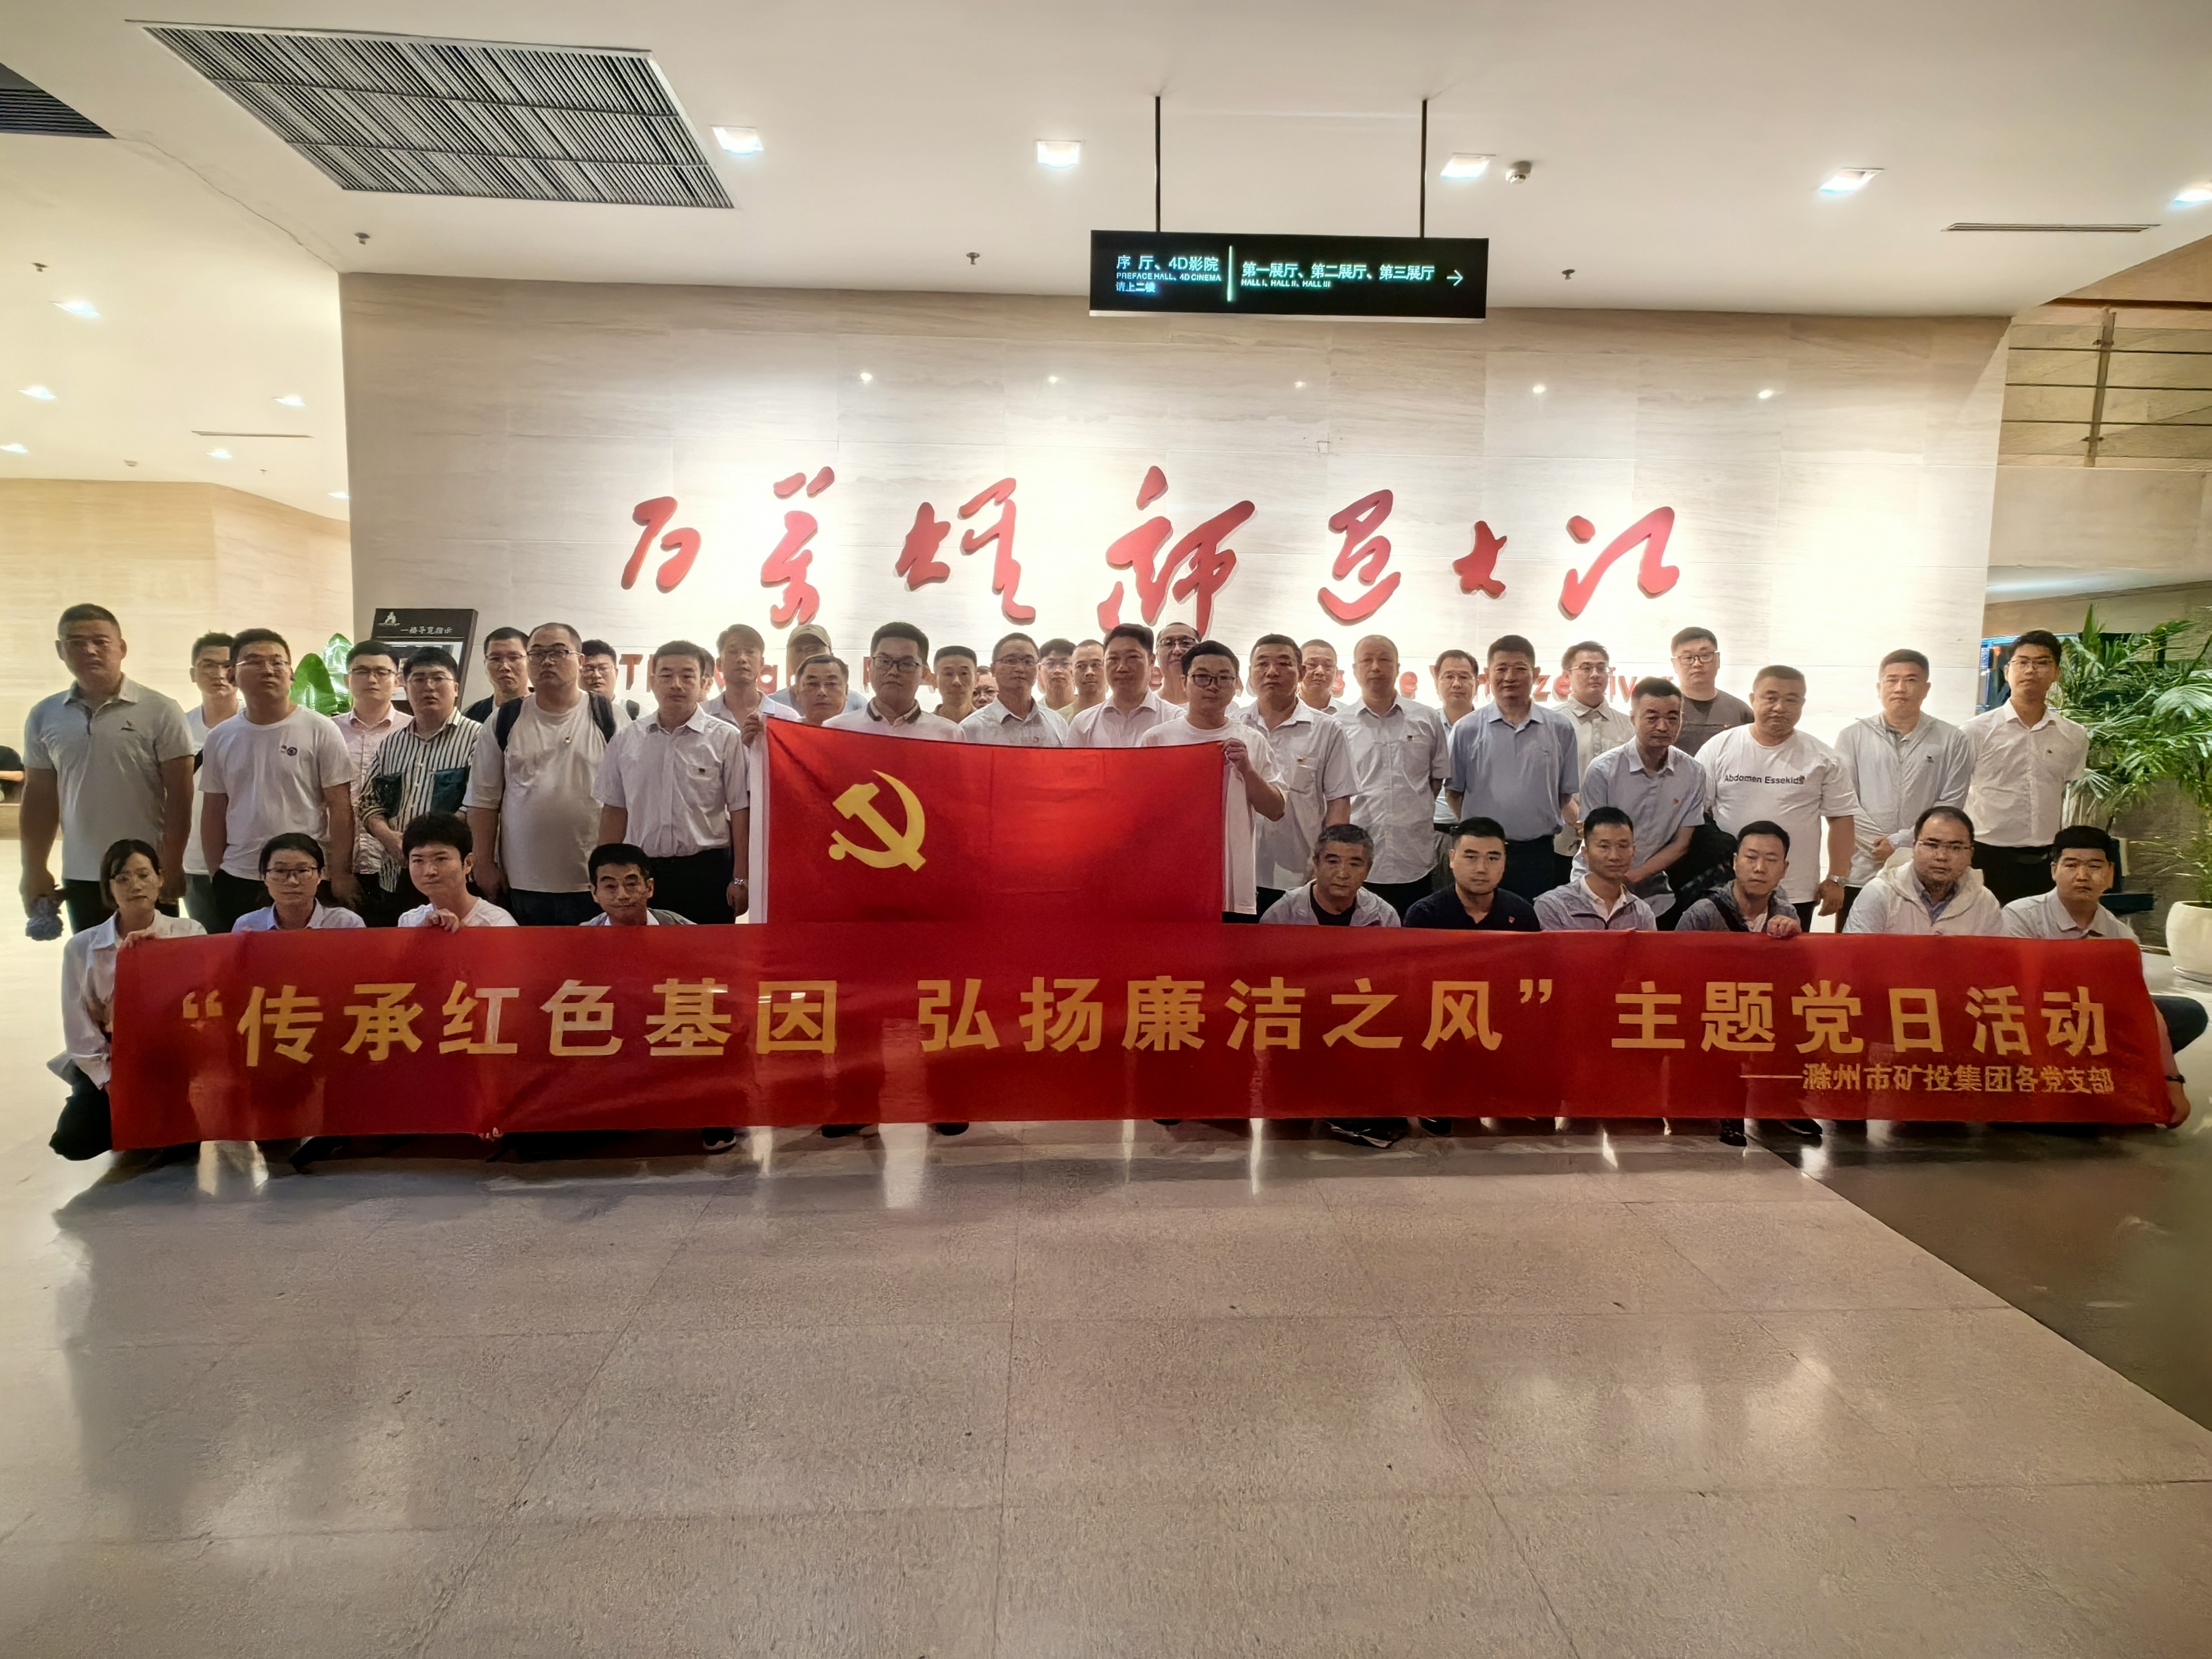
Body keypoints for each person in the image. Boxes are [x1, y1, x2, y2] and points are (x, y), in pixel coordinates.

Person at [2001, 826, 2197, 1126]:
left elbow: (2138, 1006)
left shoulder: (2122, 937)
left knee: (2186, 1014)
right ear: (2054, 870)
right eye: (2071, 865)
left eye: (2094, 866)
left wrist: (2172, 1080)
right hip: (2038, 1023)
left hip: (2094, 1024)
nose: (2083, 876)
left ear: (2110, 874)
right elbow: (2015, 991)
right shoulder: (2020, 916)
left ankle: (2108, 1085)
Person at [21, 604, 194, 932]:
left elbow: (180, 795)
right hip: (83, 871)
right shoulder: (45, 715)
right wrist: (33, 868)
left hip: (147, 871)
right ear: (60, 651)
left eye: (101, 641)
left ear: (122, 648)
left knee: (156, 959)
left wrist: (172, 861)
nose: (89, 650)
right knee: (95, 958)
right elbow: (40, 798)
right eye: (76, 642)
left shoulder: (160, 710)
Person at [48, 839, 205, 1160]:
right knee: (74, 1141)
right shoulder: (82, 947)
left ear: (160, 879)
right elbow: (79, 1025)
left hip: (170, 1055)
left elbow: (202, 1000)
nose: (135, 885)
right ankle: (92, 1098)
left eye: (144, 875)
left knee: (182, 1147)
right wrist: (110, 1083)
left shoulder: (189, 932)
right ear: (109, 888)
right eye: (123, 878)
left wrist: (160, 956)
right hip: (113, 1056)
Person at [198, 629, 357, 933]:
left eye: (277, 662)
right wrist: (216, 872)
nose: (268, 669)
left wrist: (340, 872)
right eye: (254, 661)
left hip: (304, 875)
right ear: (232, 675)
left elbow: (340, 806)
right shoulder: (221, 736)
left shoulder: (320, 729)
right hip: (240, 873)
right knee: (244, 958)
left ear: (291, 673)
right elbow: (214, 809)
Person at [464, 622, 615, 926]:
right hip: (523, 881)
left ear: (580, 660)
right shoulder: (505, 719)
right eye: (537, 654)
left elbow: (624, 801)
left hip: (595, 880)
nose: (547, 661)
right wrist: (484, 864)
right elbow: (482, 801)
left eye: (558, 652)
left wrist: (615, 867)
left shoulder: (609, 716)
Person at [593, 639, 749, 923]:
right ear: (653, 682)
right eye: (666, 675)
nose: (676, 684)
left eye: (687, 676)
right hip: (640, 874)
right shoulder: (626, 739)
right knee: (644, 950)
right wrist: (603, 875)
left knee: (707, 951)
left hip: (707, 872)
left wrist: (741, 878)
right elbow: (614, 811)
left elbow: (740, 811)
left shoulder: (726, 738)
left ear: (704, 683)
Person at [1698, 665, 1857, 928]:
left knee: (1788, 955)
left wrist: (1837, 878)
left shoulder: (1824, 758)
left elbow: (1841, 819)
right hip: (1726, 889)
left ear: (1802, 704)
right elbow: (1696, 815)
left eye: (1791, 700)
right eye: (1771, 698)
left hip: (1795, 892)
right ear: (1753, 700)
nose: (1780, 707)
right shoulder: (1719, 748)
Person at [1138, 639, 1286, 920]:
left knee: (1231, 948)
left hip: (1232, 885)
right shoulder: (1157, 740)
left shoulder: (1252, 741)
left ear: (1235, 684)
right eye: (1203, 677)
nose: (1213, 686)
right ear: (1185, 682)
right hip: (1171, 880)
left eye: (1223, 678)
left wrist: (1247, 769)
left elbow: (1276, 810)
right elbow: (1139, 813)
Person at [1834, 649, 1975, 923]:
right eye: (1892, 680)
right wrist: (1880, 844)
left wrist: (1901, 843)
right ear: (1879, 688)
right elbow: (1845, 800)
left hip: (1925, 869)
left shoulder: (1952, 739)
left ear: (1926, 689)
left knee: (1920, 944)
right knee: (1856, 943)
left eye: (1911, 680)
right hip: (1864, 866)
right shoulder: (1852, 737)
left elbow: (1950, 805)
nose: (1900, 688)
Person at [1444, 634, 1577, 902]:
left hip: (1537, 854)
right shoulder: (1466, 729)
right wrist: (1480, 833)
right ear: (1488, 675)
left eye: (1519, 669)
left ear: (1536, 674)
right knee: (1478, 919)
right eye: (1502, 669)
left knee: (1532, 920)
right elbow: (1454, 793)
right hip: (1481, 854)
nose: (1510, 677)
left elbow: (1564, 794)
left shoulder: (1560, 728)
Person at [359, 647, 484, 927]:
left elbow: (479, 803)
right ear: (405, 687)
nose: (428, 686)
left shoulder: (478, 738)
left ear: (455, 688)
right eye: (418, 679)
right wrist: (388, 837)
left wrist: (424, 847)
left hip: (455, 878)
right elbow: (369, 802)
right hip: (396, 874)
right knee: (403, 948)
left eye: (438, 678)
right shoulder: (392, 744)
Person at [1964, 631, 2089, 906]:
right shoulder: (1975, 732)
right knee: (1986, 929)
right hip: (1987, 854)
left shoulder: (2074, 735)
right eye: (2022, 662)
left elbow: (2066, 787)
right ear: (2007, 671)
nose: (2031, 670)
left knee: (2039, 930)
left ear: (2056, 673)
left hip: (2047, 857)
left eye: (2042, 663)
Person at [1237, 633, 1354, 914]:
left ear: (1300, 672)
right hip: (1238, 872)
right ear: (1250, 673)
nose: (1272, 672)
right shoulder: (1233, 726)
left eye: (1283, 663)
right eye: (1262, 664)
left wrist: (1328, 863)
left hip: (1299, 874)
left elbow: (1339, 802)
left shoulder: (1327, 729)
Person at [1574, 678, 1707, 920]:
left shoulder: (1693, 772)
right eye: (1652, 717)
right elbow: (1592, 834)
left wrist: (1635, 876)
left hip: (1654, 894)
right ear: (1633, 718)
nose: (1663, 726)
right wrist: (1615, 880)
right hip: (1595, 886)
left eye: (1672, 718)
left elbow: (1682, 843)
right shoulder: (1604, 770)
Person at [1338, 633, 1451, 916]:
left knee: (1413, 933)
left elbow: (1435, 780)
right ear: (1355, 670)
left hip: (1414, 856)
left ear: (1398, 668)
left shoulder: (1427, 718)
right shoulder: (1339, 725)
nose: (1376, 667)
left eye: (1384, 660)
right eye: (1367, 660)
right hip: (1358, 857)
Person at [704, 623, 800, 924]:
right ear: (720, 664)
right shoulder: (701, 716)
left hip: (770, 831)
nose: (742, 659)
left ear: (762, 663)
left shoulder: (787, 718)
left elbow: (796, 779)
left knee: (772, 919)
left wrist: (765, 748)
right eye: (733, 652)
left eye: (750, 652)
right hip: (716, 836)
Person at [1841, 806, 2001, 935]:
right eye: (1932, 845)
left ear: (1971, 854)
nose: (1942, 856)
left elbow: (1993, 961)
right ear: (1914, 847)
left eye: (1956, 848)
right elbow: (1854, 958)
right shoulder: (1879, 894)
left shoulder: (1985, 903)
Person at [1553, 639, 1634, 882]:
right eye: (1586, 668)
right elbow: (1543, 778)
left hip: (1616, 843)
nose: (1595, 674)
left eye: (1601, 668)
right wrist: (1575, 815)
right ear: (1567, 675)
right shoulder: (1552, 723)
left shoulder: (1628, 726)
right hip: (1563, 839)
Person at [337, 640, 405, 909]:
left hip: (393, 863)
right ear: (347, 680)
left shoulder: (412, 732)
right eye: (362, 671)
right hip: (337, 865)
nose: (372, 679)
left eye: (382, 672)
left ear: (397, 681)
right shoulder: (327, 731)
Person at [180, 630, 239, 929]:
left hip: (250, 859)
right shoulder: (178, 728)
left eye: (227, 665)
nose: (219, 674)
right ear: (193, 674)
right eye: (208, 665)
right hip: (196, 862)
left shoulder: (258, 724)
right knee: (209, 943)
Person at [827, 623, 966, 740]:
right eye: (884, 661)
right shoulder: (837, 730)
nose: (893, 671)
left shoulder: (948, 735)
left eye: (906, 664)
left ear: (924, 673)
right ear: (869, 666)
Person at [1405, 817, 1543, 932]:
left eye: (1492, 859)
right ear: (1452, 858)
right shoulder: (1425, 915)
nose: (1481, 869)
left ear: (1504, 862)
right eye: (1471, 857)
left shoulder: (1521, 913)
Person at [1673, 821, 1805, 938]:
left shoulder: (1786, 914)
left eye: (1771, 860)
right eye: (1751, 857)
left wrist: (1793, 937)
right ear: (1735, 862)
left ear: (1784, 869)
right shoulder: (1703, 914)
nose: (1760, 868)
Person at [1535, 806, 1657, 931]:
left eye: (1622, 846)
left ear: (1633, 851)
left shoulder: (1642, 914)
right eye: (1604, 847)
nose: (1614, 856)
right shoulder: (1553, 907)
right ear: (1585, 853)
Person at [1259, 823, 1402, 928]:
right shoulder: (1283, 914)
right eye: (1333, 862)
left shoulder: (1384, 916)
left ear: (1368, 870)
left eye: (1354, 864)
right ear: (1317, 864)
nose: (1342, 874)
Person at [231, 832, 369, 932]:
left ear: (320, 875)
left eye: (303, 871)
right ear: (264, 877)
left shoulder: (345, 924)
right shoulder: (248, 926)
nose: (292, 881)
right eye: (280, 871)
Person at [398, 812, 516, 928]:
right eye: (418, 861)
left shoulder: (498, 924)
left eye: (441, 859)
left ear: (468, 863)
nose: (429, 871)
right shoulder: (410, 921)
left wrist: (461, 935)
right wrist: (423, 933)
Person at [1068, 623, 1169, 747]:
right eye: (1113, 659)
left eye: (1132, 658)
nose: (1122, 668)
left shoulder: (1174, 719)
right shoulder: (1083, 724)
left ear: (1151, 660)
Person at [961, 633, 1069, 745]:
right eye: (1010, 661)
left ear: (1038, 670)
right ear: (993, 670)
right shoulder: (971, 729)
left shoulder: (1056, 722)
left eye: (1028, 662)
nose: (1020, 669)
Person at [1427, 647, 1480, 874]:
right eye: (1449, 676)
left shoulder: (1490, 726)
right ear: (1437, 682)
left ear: (1477, 683)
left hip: (1478, 833)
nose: (1457, 684)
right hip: (1434, 831)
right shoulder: (1425, 725)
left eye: (1464, 677)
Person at [1669, 626, 1753, 756]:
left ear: (1718, 659)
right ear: (1675, 664)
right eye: (1688, 657)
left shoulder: (1741, 712)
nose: (1697, 664)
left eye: (1705, 656)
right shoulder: (1663, 709)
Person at [582, 842, 695, 927]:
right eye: (610, 886)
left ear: (649, 887)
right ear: (594, 893)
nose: (623, 895)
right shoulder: (582, 937)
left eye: (631, 884)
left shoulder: (685, 931)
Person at [462, 627, 529, 723]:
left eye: (514, 658)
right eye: (495, 659)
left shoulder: (547, 712)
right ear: (485, 664)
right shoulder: (471, 715)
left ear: (531, 662)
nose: (505, 667)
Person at [579, 639, 639, 722]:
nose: (597, 675)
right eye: (589, 669)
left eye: (603, 668)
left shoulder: (636, 715)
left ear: (616, 673)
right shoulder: (567, 715)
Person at [792, 654, 854, 724]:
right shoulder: (786, 730)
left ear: (846, 691)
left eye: (831, 684)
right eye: (812, 684)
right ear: (797, 692)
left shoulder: (860, 729)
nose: (822, 692)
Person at [931, 645, 980, 723]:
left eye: (964, 673)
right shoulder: (922, 726)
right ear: (934, 680)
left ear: (976, 680)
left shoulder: (990, 726)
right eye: (948, 674)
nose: (956, 682)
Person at [1154, 621, 1200, 705]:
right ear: (1156, 655)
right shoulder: (1144, 707)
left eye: (1186, 643)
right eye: (1167, 643)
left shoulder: (1220, 708)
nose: (1177, 650)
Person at [1298, 639, 1344, 714]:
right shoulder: (1281, 715)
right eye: (1311, 664)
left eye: (1328, 665)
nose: (1320, 671)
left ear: (1336, 673)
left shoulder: (1351, 717)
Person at [1038, 638, 1078, 716]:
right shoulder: (1033, 713)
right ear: (1039, 670)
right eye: (1050, 664)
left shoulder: (1087, 711)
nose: (1058, 670)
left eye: (1065, 664)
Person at [1070, 639, 1108, 713]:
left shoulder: (1122, 715)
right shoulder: (1058, 718)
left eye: (1096, 665)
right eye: (1081, 666)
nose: (1089, 672)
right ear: (1072, 673)